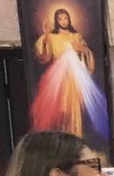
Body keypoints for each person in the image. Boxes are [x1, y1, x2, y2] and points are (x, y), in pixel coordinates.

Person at [31, 7, 109, 140]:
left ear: (69, 19)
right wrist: (45, 35)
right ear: (56, 21)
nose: (63, 21)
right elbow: (43, 54)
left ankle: (75, 136)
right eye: (60, 19)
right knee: (61, 109)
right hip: (58, 77)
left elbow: (86, 54)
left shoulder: (76, 36)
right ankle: (62, 138)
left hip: (74, 75)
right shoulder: (52, 37)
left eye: (65, 18)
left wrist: (82, 50)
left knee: (74, 108)